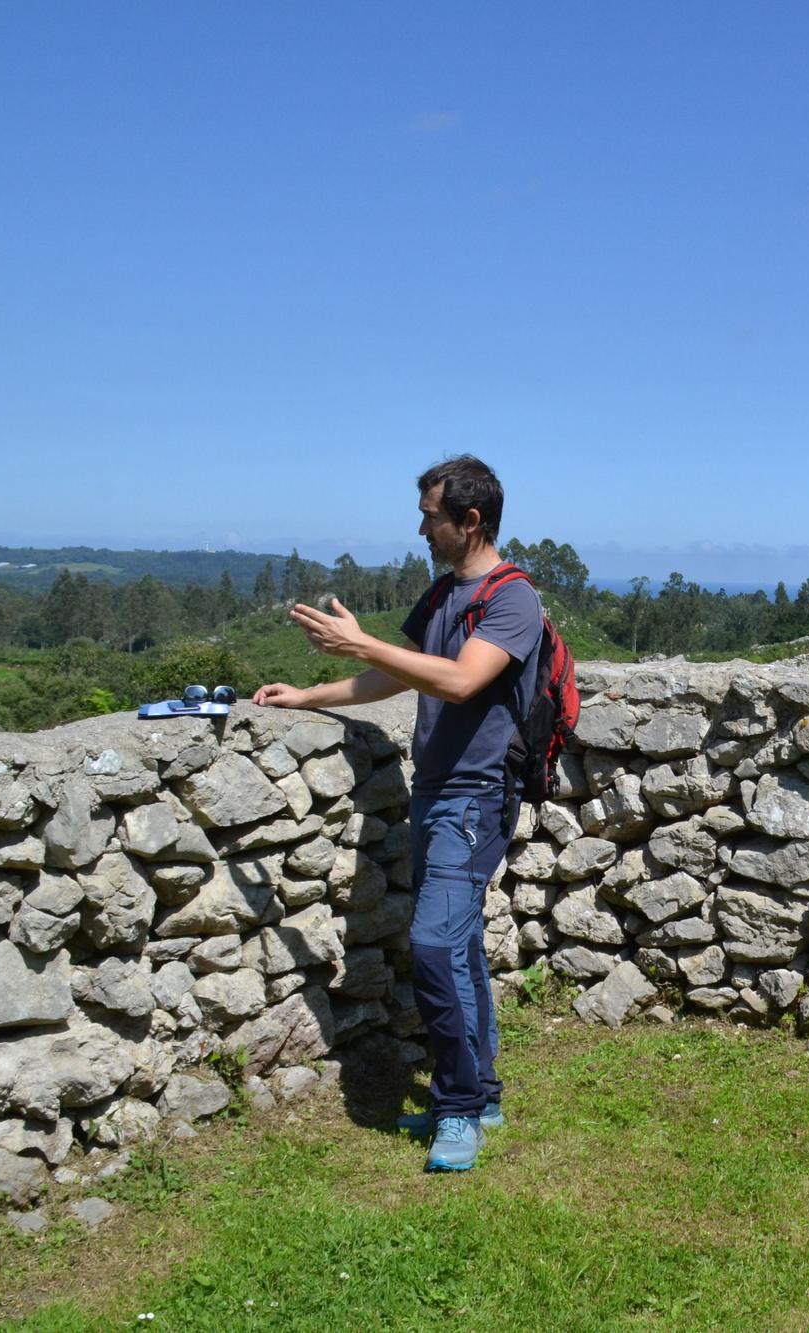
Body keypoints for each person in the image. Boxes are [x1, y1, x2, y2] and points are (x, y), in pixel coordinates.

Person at [254, 455, 542, 1173]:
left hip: (476, 798)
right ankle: (483, 1092)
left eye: (431, 517)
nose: (421, 529)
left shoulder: (513, 600)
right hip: (437, 793)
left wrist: (358, 639)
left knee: (438, 945)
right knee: (461, 944)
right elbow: (402, 672)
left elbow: (460, 678)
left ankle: (456, 1108)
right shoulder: (446, 593)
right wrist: (312, 693)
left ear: (470, 520)